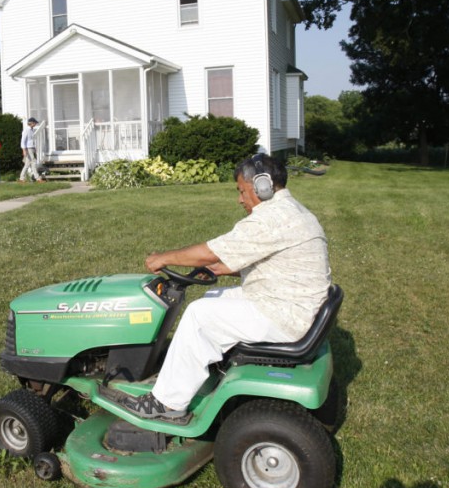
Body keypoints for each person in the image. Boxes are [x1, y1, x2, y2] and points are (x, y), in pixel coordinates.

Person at [117, 154, 331, 422]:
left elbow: (208, 252)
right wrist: (218, 268)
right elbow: (262, 255)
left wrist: (164, 258)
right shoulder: (292, 210)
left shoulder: (270, 218)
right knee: (214, 296)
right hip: (290, 301)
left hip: (285, 315)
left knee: (199, 314)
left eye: (242, 191)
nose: (240, 199)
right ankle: (193, 370)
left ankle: (167, 403)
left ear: (262, 186)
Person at [19, 117, 44, 183]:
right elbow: (23, 141)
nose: (35, 124)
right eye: (35, 123)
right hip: (28, 148)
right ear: (31, 123)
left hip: (32, 148)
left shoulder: (32, 130)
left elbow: (31, 140)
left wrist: (34, 148)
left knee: (27, 164)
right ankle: (38, 178)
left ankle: (21, 178)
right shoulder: (26, 130)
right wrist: (24, 150)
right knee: (33, 162)